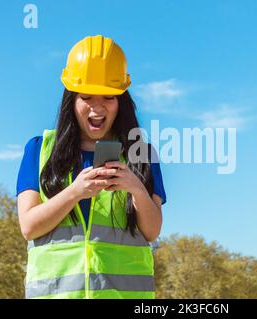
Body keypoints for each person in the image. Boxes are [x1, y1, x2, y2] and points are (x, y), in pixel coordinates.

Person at [16, 35, 166, 299]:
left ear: (121, 101)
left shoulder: (141, 153)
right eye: (86, 96)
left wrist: (137, 189)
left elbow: (151, 231)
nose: (97, 107)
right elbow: (29, 226)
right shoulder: (39, 150)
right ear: (71, 100)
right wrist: (75, 192)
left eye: (108, 97)